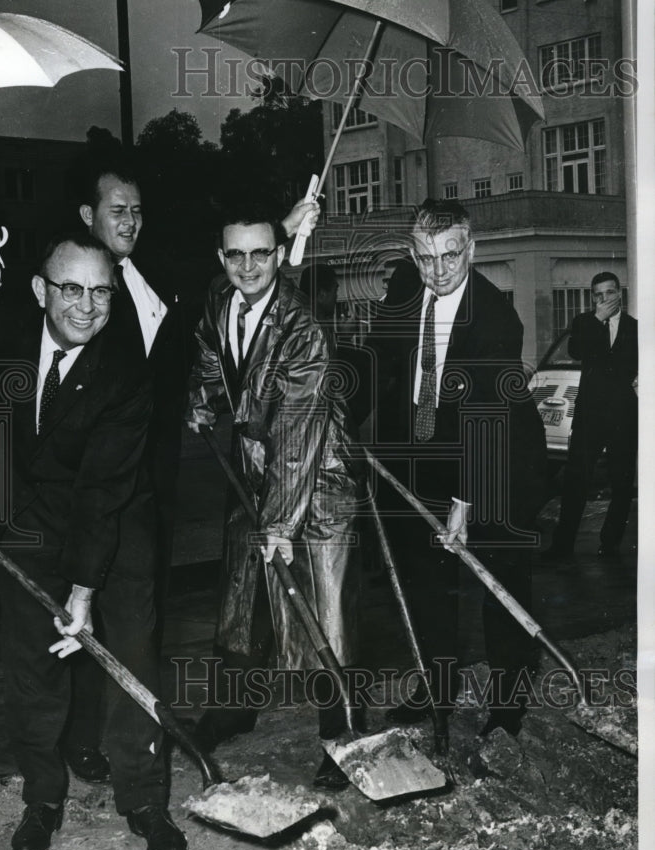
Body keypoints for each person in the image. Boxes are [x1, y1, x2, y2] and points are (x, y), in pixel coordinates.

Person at [0, 160, 322, 784]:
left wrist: (288, 230)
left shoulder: (159, 272)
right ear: (88, 217)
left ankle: (135, 743)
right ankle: (81, 743)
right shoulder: (73, 289)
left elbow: (242, 278)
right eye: (116, 210)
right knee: (76, 612)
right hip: (82, 491)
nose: (129, 221)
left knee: (137, 619)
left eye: (136, 210)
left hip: (149, 482)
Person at [0, 232, 187, 850]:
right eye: (72, 289)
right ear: (40, 290)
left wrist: (83, 592)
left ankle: (145, 800)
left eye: (101, 292)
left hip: (116, 531)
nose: (87, 306)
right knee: (32, 668)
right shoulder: (10, 342)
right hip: (32, 523)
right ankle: (42, 797)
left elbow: (101, 493)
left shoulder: (125, 375)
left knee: (131, 664)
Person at [185, 211, 362, 789]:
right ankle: (232, 709)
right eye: (235, 255)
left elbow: (297, 430)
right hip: (259, 473)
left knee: (322, 612)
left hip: (317, 479)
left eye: (260, 254)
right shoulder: (221, 302)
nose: (248, 267)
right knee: (241, 599)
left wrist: (281, 525)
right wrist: (203, 399)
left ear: (279, 254)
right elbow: (212, 358)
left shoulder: (302, 327)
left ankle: (342, 737)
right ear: (220, 259)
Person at [370, 199, 547, 738]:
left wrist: (465, 505)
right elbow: (378, 360)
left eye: (450, 256)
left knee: (501, 583)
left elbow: (483, 420)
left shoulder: (496, 318)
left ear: (471, 249)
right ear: (412, 253)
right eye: (426, 258)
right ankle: (435, 684)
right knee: (425, 580)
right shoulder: (404, 290)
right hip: (427, 454)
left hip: (499, 463)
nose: (438, 271)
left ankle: (508, 707)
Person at [545, 271, 638, 563]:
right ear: (592, 298)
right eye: (598, 295)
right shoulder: (585, 323)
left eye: (609, 293)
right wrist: (597, 320)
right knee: (576, 480)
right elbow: (576, 350)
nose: (604, 299)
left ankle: (609, 546)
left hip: (623, 414)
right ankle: (562, 547)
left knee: (622, 483)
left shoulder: (636, 327)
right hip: (591, 416)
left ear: (619, 293)